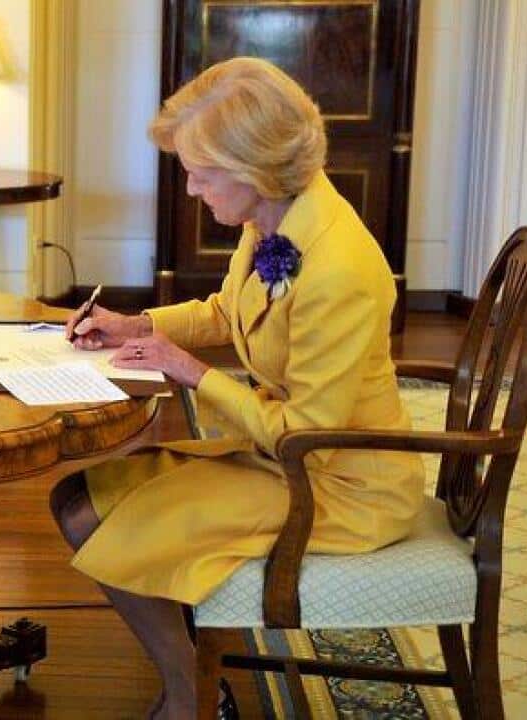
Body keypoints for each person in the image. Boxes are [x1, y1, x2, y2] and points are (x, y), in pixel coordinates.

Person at [51, 57, 424, 719]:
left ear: (251, 168)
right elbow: (228, 313)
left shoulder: (338, 265)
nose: (191, 188)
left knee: (93, 518)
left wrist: (192, 371)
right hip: (282, 458)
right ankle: (195, 679)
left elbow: (308, 433)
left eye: (200, 171)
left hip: (336, 485)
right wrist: (134, 324)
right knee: (76, 496)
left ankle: (191, 697)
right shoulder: (274, 220)